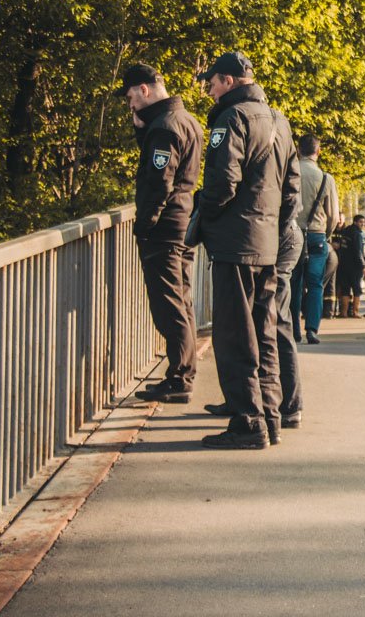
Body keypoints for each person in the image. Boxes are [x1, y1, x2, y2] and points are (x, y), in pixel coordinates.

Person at [197, 51, 295, 450]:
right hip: (267, 244)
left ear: (230, 81)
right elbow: (291, 193)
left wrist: (206, 218)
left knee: (235, 336)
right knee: (264, 333)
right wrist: (273, 228)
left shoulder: (232, 118)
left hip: (235, 244)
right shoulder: (280, 121)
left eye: (213, 82)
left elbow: (222, 183)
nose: (209, 89)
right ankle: (270, 418)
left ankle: (247, 422)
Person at [117, 63, 203, 405]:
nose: (130, 105)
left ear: (144, 90)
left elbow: (159, 178)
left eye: (130, 97)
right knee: (181, 301)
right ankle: (183, 373)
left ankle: (180, 378)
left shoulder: (165, 128)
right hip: (183, 224)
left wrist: (146, 223)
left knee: (169, 305)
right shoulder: (186, 120)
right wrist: (143, 131)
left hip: (165, 229)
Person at [290, 135, 338, 344]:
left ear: (298, 150)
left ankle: (293, 329)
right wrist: (326, 234)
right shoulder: (326, 178)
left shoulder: (289, 173)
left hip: (292, 233)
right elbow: (334, 215)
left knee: (293, 282)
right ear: (318, 152)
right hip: (317, 235)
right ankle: (311, 329)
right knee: (316, 283)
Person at [337, 214, 365, 318]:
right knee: (356, 289)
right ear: (355, 222)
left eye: (363, 222)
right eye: (360, 222)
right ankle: (355, 312)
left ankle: (344, 313)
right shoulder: (357, 234)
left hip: (343, 265)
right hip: (355, 267)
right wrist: (363, 266)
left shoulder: (345, 231)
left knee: (345, 289)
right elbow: (358, 252)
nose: (362, 224)